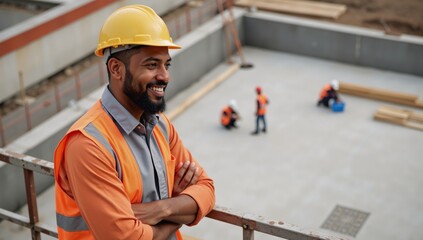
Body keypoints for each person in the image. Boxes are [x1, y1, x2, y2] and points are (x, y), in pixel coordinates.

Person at [54, 5, 215, 240]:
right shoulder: (88, 144)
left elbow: (206, 189)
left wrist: (161, 209)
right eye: (152, 65)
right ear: (117, 69)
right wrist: (177, 213)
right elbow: (126, 237)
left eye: (166, 64)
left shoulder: (160, 126)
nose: (165, 76)